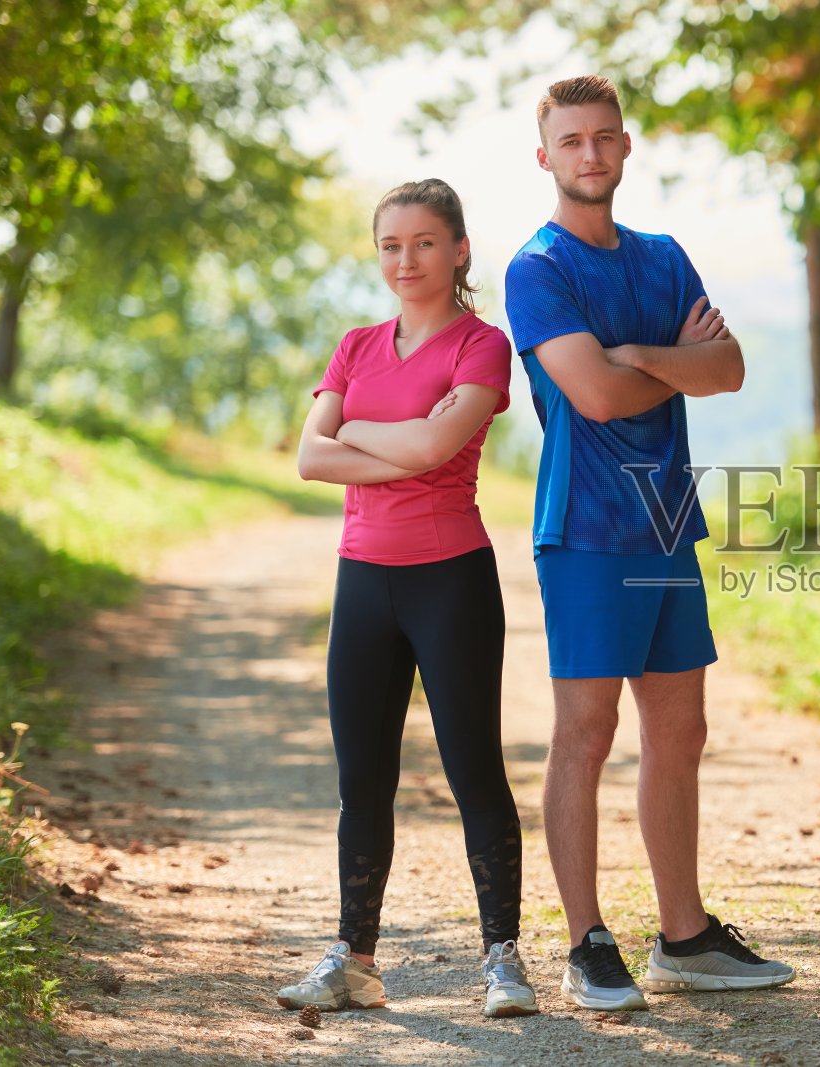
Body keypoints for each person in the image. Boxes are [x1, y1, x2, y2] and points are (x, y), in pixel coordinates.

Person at [503, 75, 794, 1012]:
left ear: (626, 147)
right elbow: (594, 395)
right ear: (544, 157)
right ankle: (587, 943)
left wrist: (641, 357)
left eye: (604, 138)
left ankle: (684, 936)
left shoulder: (665, 257)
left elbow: (733, 366)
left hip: (668, 526)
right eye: (571, 141)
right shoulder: (536, 269)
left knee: (683, 730)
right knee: (586, 734)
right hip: (585, 531)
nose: (590, 154)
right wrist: (675, 365)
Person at [280, 179, 536, 1019]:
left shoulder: (481, 346)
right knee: (363, 783)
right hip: (364, 583)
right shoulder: (354, 345)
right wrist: (396, 446)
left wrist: (353, 430)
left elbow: (434, 443)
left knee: (475, 773)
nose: (406, 259)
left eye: (424, 242)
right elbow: (310, 460)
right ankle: (355, 960)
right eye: (391, 244)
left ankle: (503, 958)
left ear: (459, 249)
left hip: (450, 578)